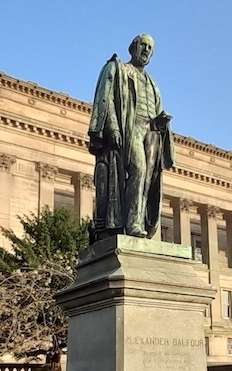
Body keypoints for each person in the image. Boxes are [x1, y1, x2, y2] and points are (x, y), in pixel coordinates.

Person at [88, 33, 175, 240]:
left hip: (151, 132)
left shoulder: (152, 83)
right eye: (143, 45)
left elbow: (156, 110)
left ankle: (137, 220)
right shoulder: (117, 68)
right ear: (133, 47)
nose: (146, 50)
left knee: (147, 179)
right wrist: (113, 128)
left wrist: (160, 122)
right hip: (130, 127)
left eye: (150, 48)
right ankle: (132, 223)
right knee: (138, 168)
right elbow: (106, 99)